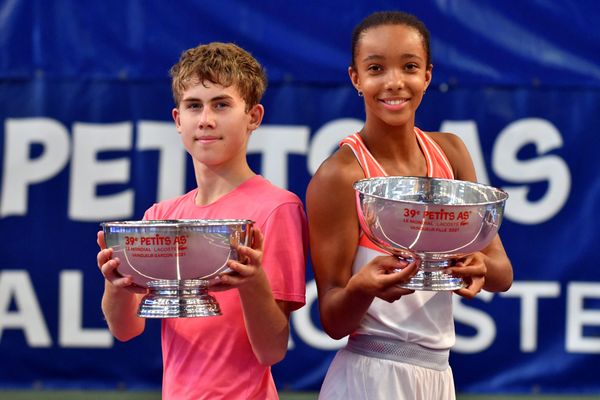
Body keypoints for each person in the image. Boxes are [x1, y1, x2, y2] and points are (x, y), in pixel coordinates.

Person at [306, 11, 513, 400]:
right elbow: (332, 320)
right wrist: (362, 289)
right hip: (369, 379)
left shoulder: (451, 152)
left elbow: (503, 271)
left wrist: (481, 266)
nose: (394, 82)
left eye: (410, 66)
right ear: (356, 78)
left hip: (439, 376)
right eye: (376, 68)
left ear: (428, 76)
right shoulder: (338, 176)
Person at [96, 42, 308, 400]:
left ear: (253, 116)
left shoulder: (278, 208)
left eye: (221, 104)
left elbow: (271, 351)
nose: (206, 119)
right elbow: (126, 329)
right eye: (194, 105)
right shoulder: (160, 217)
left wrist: (252, 282)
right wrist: (115, 284)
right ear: (179, 120)